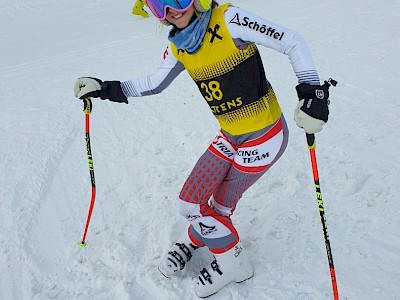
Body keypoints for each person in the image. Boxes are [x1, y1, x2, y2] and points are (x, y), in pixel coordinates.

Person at [74, 0, 333, 297]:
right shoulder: (179, 46)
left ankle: (234, 262)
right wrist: (105, 88)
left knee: (220, 205)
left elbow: (291, 41)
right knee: (190, 203)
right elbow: (154, 82)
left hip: (266, 136)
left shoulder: (229, 19)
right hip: (231, 135)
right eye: (159, 5)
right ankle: (199, 235)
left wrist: (313, 93)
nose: (172, 9)